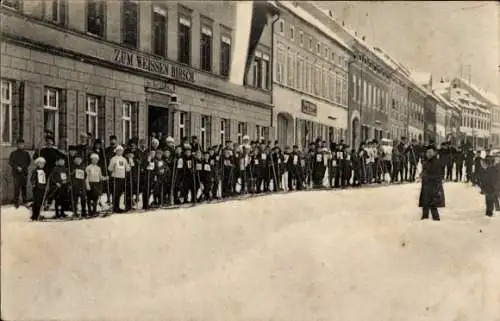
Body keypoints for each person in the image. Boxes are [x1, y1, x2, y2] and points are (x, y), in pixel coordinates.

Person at [419, 144, 445, 221]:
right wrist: (422, 173)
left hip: (433, 188)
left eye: (430, 152)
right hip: (427, 187)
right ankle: (425, 221)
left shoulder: (436, 162)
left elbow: (437, 176)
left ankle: (434, 223)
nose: (428, 154)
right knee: (426, 205)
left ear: (434, 153)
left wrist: (425, 176)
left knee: (432, 206)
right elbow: (426, 171)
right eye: (427, 152)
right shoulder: (428, 161)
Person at [9, 138, 30, 208]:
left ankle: (24, 201)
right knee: (16, 188)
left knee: (24, 188)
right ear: (17, 145)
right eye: (19, 144)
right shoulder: (13, 153)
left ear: (24, 145)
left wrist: (23, 168)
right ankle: (16, 202)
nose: (21, 145)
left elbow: (28, 162)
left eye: (22, 144)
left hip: (24, 173)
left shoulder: (26, 154)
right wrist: (17, 167)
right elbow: (11, 162)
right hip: (16, 174)